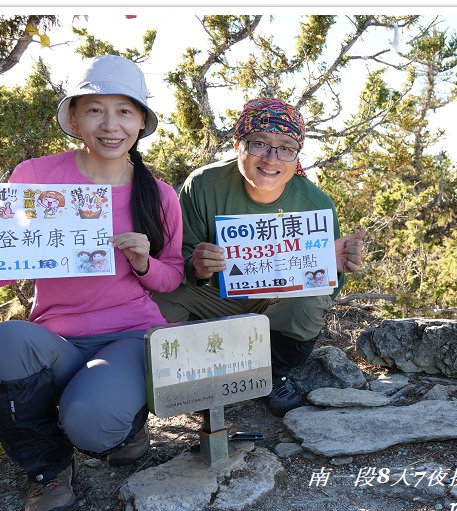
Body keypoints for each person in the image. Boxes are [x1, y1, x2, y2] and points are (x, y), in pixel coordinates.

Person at [0, 55, 184, 511]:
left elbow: (173, 276)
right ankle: (48, 468)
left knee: (92, 426)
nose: (110, 125)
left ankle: (123, 423)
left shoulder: (158, 194)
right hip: (57, 339)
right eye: (94, 109)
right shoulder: (37, 176)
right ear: (75, 119)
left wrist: (144, 264)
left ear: (142, 121)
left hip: (130, 335)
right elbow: (3, 268)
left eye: (124, 111)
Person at [152, 97, 365, 417]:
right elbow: (174, 257)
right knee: (161, 294)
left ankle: (271, 373)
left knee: (310, 300)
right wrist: (196, 266)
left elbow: (328, 289)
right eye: (259, 144)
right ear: (239, 145)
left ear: (296, 156)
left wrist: (334, 267)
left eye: (286, 148)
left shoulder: (315, 202)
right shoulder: (203, 184)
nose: (271, 158)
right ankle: (198, 374)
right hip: (216, 299)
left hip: (276, 304)